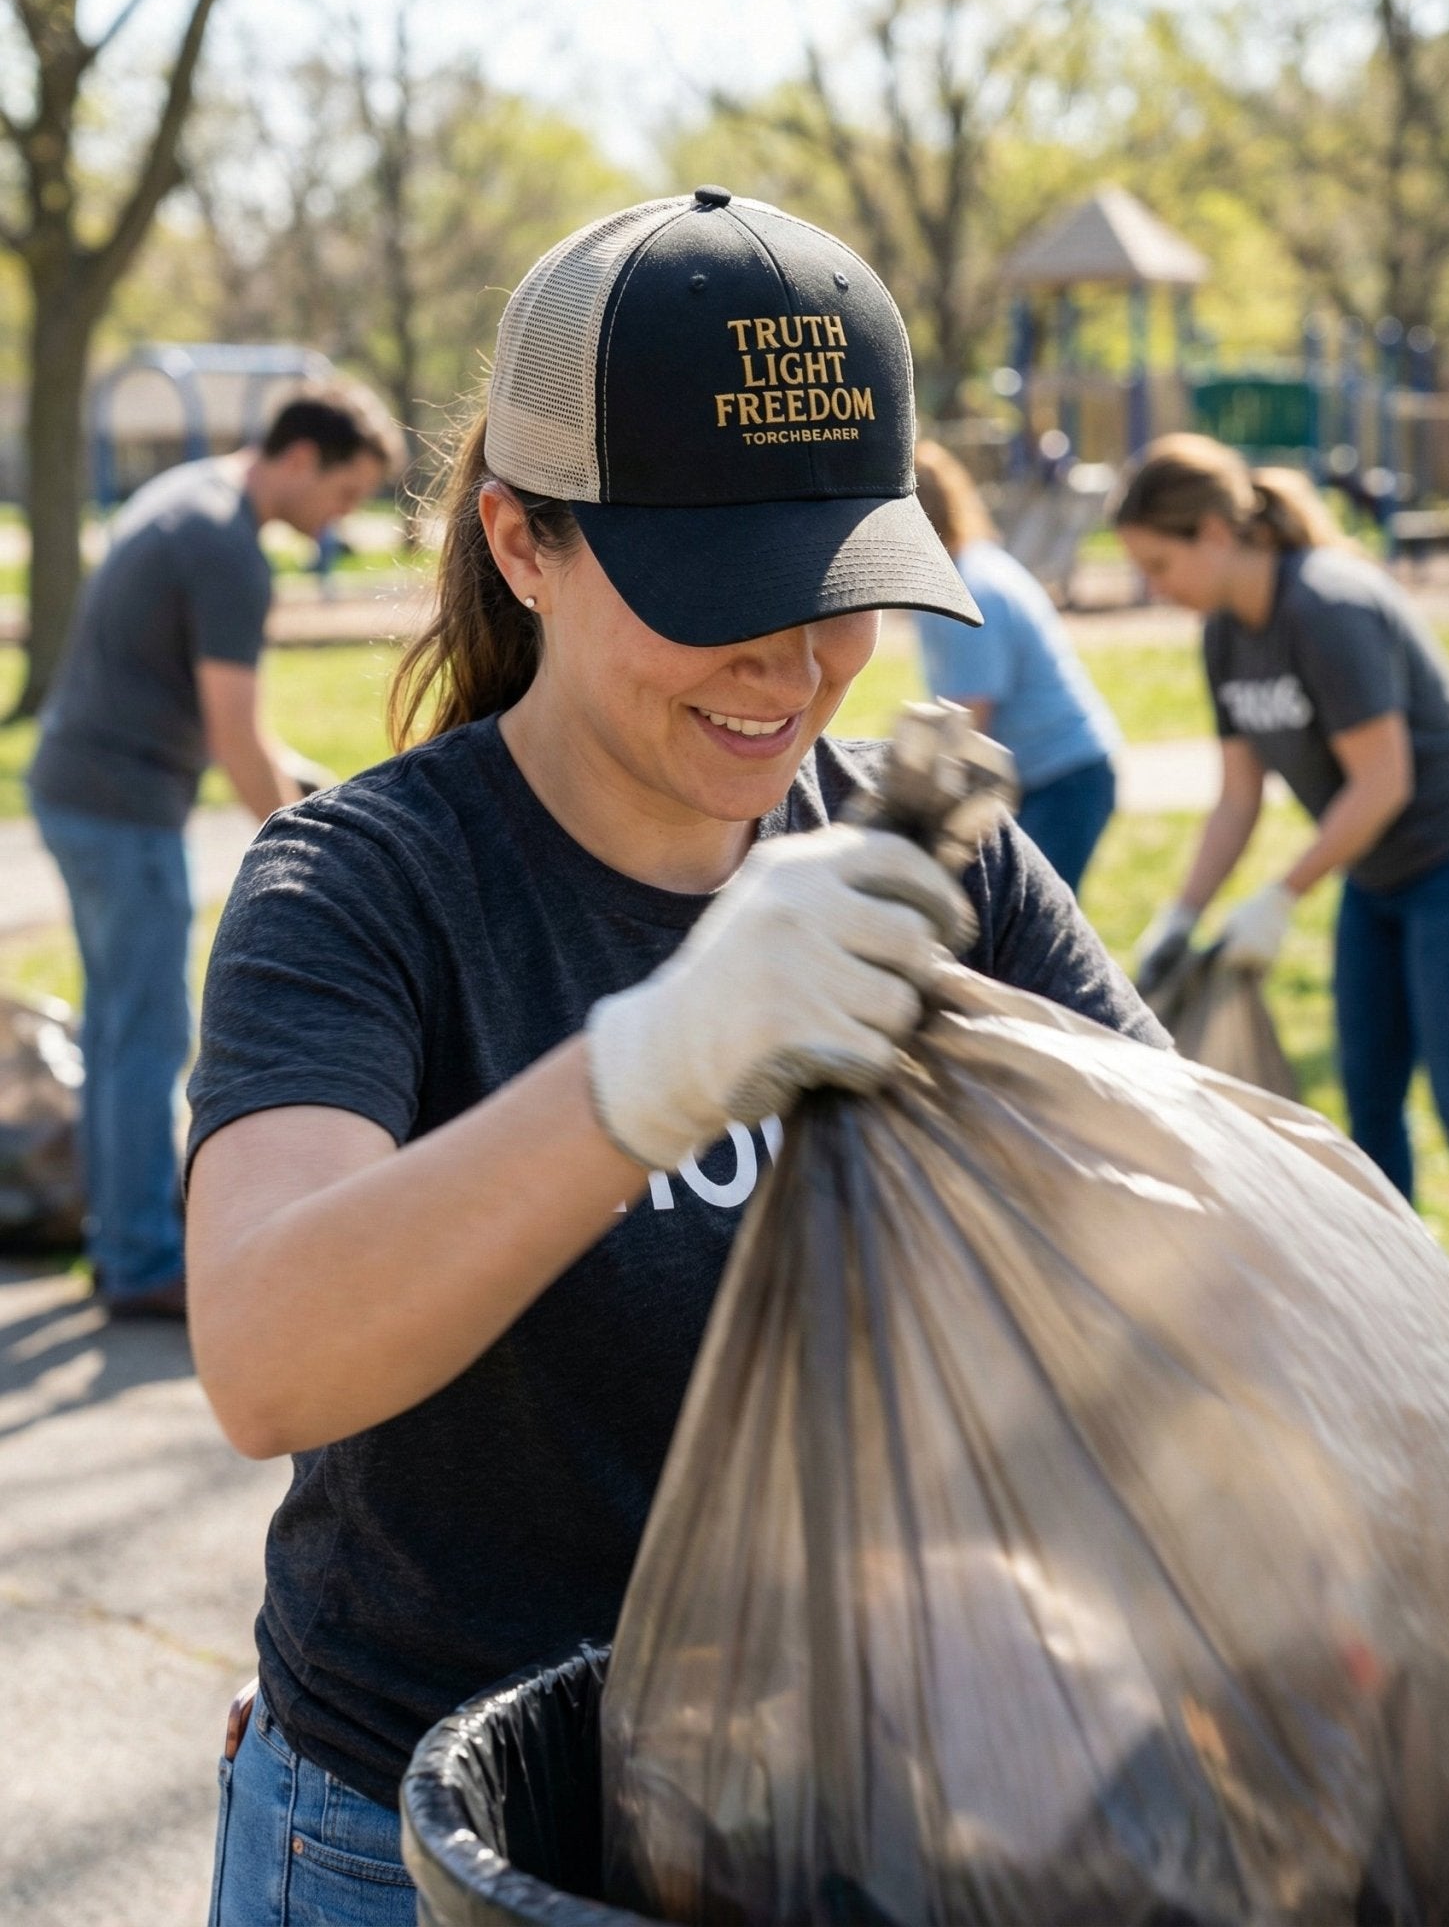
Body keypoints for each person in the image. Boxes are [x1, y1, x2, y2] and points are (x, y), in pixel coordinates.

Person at [183, 189, 1164, 1926]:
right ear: (521, 539)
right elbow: (265, 1355)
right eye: (719, 587)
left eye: (837, 585)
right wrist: (650, 1067)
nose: (791, 662)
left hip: (837, 1805)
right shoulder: (368, 888)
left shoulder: (932, 861)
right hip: (416, 1838)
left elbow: (1181, 1248)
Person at [1119, 432, 1449, 1406]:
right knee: (1365, 1100)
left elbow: (1382, 781)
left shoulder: (1326, 607)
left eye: (1158, 563)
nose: (1151, 586)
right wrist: (1180, 912)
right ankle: (1404, 1317)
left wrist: (1280, 894)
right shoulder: (1224, 628)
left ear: (1216, 532)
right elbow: (1236, 795)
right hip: (1380, 878)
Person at [26, 383, 403, 1322]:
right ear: (303, 459)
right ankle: (145, 1259)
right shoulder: (228, 551)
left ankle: (123, 1238)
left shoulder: (192, 494)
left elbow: (243, 733)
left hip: (76, 789)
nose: (340, 521)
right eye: (346, 495)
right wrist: (310, 855)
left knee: (120, 1028)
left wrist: (311, 778)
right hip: (122, 808)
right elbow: (235, 734)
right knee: (148, 1034)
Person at [912, 438, 1121, 894]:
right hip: (1042, 776)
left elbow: (969, 731)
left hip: (1063, 776)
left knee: (1028, 929)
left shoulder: (971, 591)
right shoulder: (959, 572)